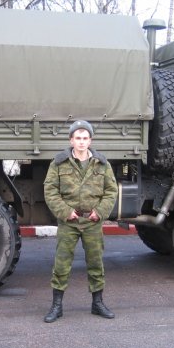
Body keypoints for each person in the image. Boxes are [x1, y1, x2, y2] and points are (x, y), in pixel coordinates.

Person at [43, 119, 118, 323]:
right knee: (61, 263)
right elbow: (50, 191)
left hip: (92, 221)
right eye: (78, 138)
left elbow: (111, 191)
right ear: (71, 140)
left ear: (90, 140)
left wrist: (99, 212)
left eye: (85, 138)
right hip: (69, 222)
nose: (82, 142)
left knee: (96, 263)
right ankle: (57, 306)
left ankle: (97, 303)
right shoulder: (58, 163)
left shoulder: (102, 164)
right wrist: (65, 212)